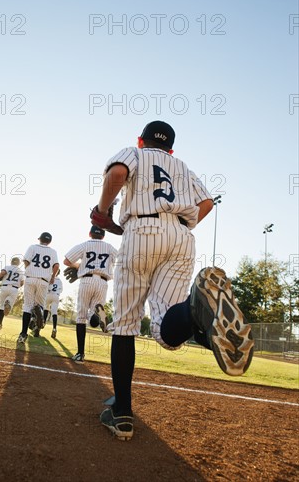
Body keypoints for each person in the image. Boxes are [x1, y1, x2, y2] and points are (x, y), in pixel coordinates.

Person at [91, 120, 254, 440]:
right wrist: (175, 227)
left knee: (125, 325)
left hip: (141, 231)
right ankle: (197, 311)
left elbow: (118, 174)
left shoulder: (135, 153)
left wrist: (101, 210)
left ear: (141, 141)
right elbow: (206, 203)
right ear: (171, 148)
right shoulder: (182, 167)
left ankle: (122, 410)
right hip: (181, 237)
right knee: (167, 333)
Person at [64, 225, 118, 363]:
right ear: (103, 236)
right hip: (103, 282)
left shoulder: (85, 245)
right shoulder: (110, 247)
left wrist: (79, 266)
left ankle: (80, 354)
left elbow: (67, 261)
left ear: (90, 233)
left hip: (87, 280)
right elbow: (121, 262)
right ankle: (98, 314)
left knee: (81, 317)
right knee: (93, 318)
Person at [17, 232, 59, 344]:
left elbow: (26, 260)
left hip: (30, 278)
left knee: (27, 306)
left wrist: (29, 269)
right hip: (44, 280)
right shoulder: (53, 251)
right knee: (39, 304)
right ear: (50, 241)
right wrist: (53, 277)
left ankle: (23, 334)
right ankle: (39, 312)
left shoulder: (32, 247)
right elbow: (56, 265)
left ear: (39, 239)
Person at [0, 257, 25, 330]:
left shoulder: (7, 267)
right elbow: (22, 283)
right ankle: (8, 303)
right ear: (18, 263)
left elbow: (2, 273)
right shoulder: (21, 271)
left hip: (4, 286)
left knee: (2, 307)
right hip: (14, 288)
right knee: (7, 309)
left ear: (11, 262)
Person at [43, 269, 63, 338]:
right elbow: (61, 290)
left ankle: (43, 323)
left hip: (48, 294)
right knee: (54, 313)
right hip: (56, 296)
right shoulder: (60, 281)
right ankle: (54, 328)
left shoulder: (49, 278)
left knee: (45, 309)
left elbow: (46, 287)